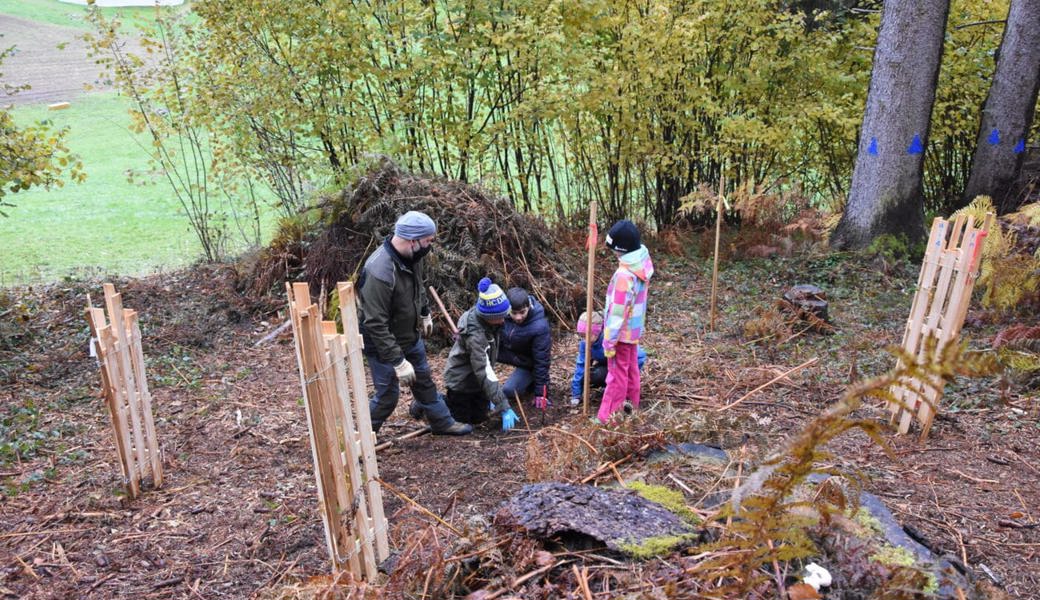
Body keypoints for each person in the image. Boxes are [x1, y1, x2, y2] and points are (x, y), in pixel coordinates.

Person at [356, 211, 472, 436]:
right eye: (428, 240)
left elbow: (418, 286)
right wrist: (398, 362)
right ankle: (361, 438)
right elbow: (375, 323)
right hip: (381, 344)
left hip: (409, 335)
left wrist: (424, 311)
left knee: (424, 381)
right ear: (412, 240)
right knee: (388, 395)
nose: (430, 245)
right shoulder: (379, 272)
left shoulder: (412, 257)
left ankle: (442, 423)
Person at [442, 278, 520, 430]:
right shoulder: (476, 335)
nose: (504, 320)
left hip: (477, 384)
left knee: (479, 418)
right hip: (461, 383)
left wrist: (492, 395)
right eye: (500, 317)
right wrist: (503, 406)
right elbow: (484, 370)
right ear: (489, 317)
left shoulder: (490, 321)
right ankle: (430, 403)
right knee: (463, 422)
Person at [597, 220, 654, 423]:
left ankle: (608, 417)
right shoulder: (641, 264)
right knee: (630, 369)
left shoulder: (624, 275)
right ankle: (631, 406)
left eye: (614, 249)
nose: (613, 253)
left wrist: (609, 341)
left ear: (621, 249)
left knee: (616, 376)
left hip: (620, 335)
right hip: (633, 332)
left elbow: (617, 313)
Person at [569, 310, 646, 406]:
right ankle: (608, 387)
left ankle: (623, 396)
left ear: (597, 332)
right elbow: (581, 366)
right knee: (590, 376)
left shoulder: (610, 339)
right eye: (582, 336)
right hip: (607, 363)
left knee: (615, 377)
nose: (585, 339)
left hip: (624, 364)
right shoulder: (585, 344)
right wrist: (576, 394)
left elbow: (638, 357)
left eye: (587, 335)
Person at [498, 287, 553, 409]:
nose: (518, 317)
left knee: (509, 391)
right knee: (483, 351)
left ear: (529, 307)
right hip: (511, 354)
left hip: (529, 362)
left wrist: (541, 393)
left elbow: (542, 361)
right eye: (514, 313)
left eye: (522, 312)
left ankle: (533, 382)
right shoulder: (501, 315)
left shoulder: (540, 327)